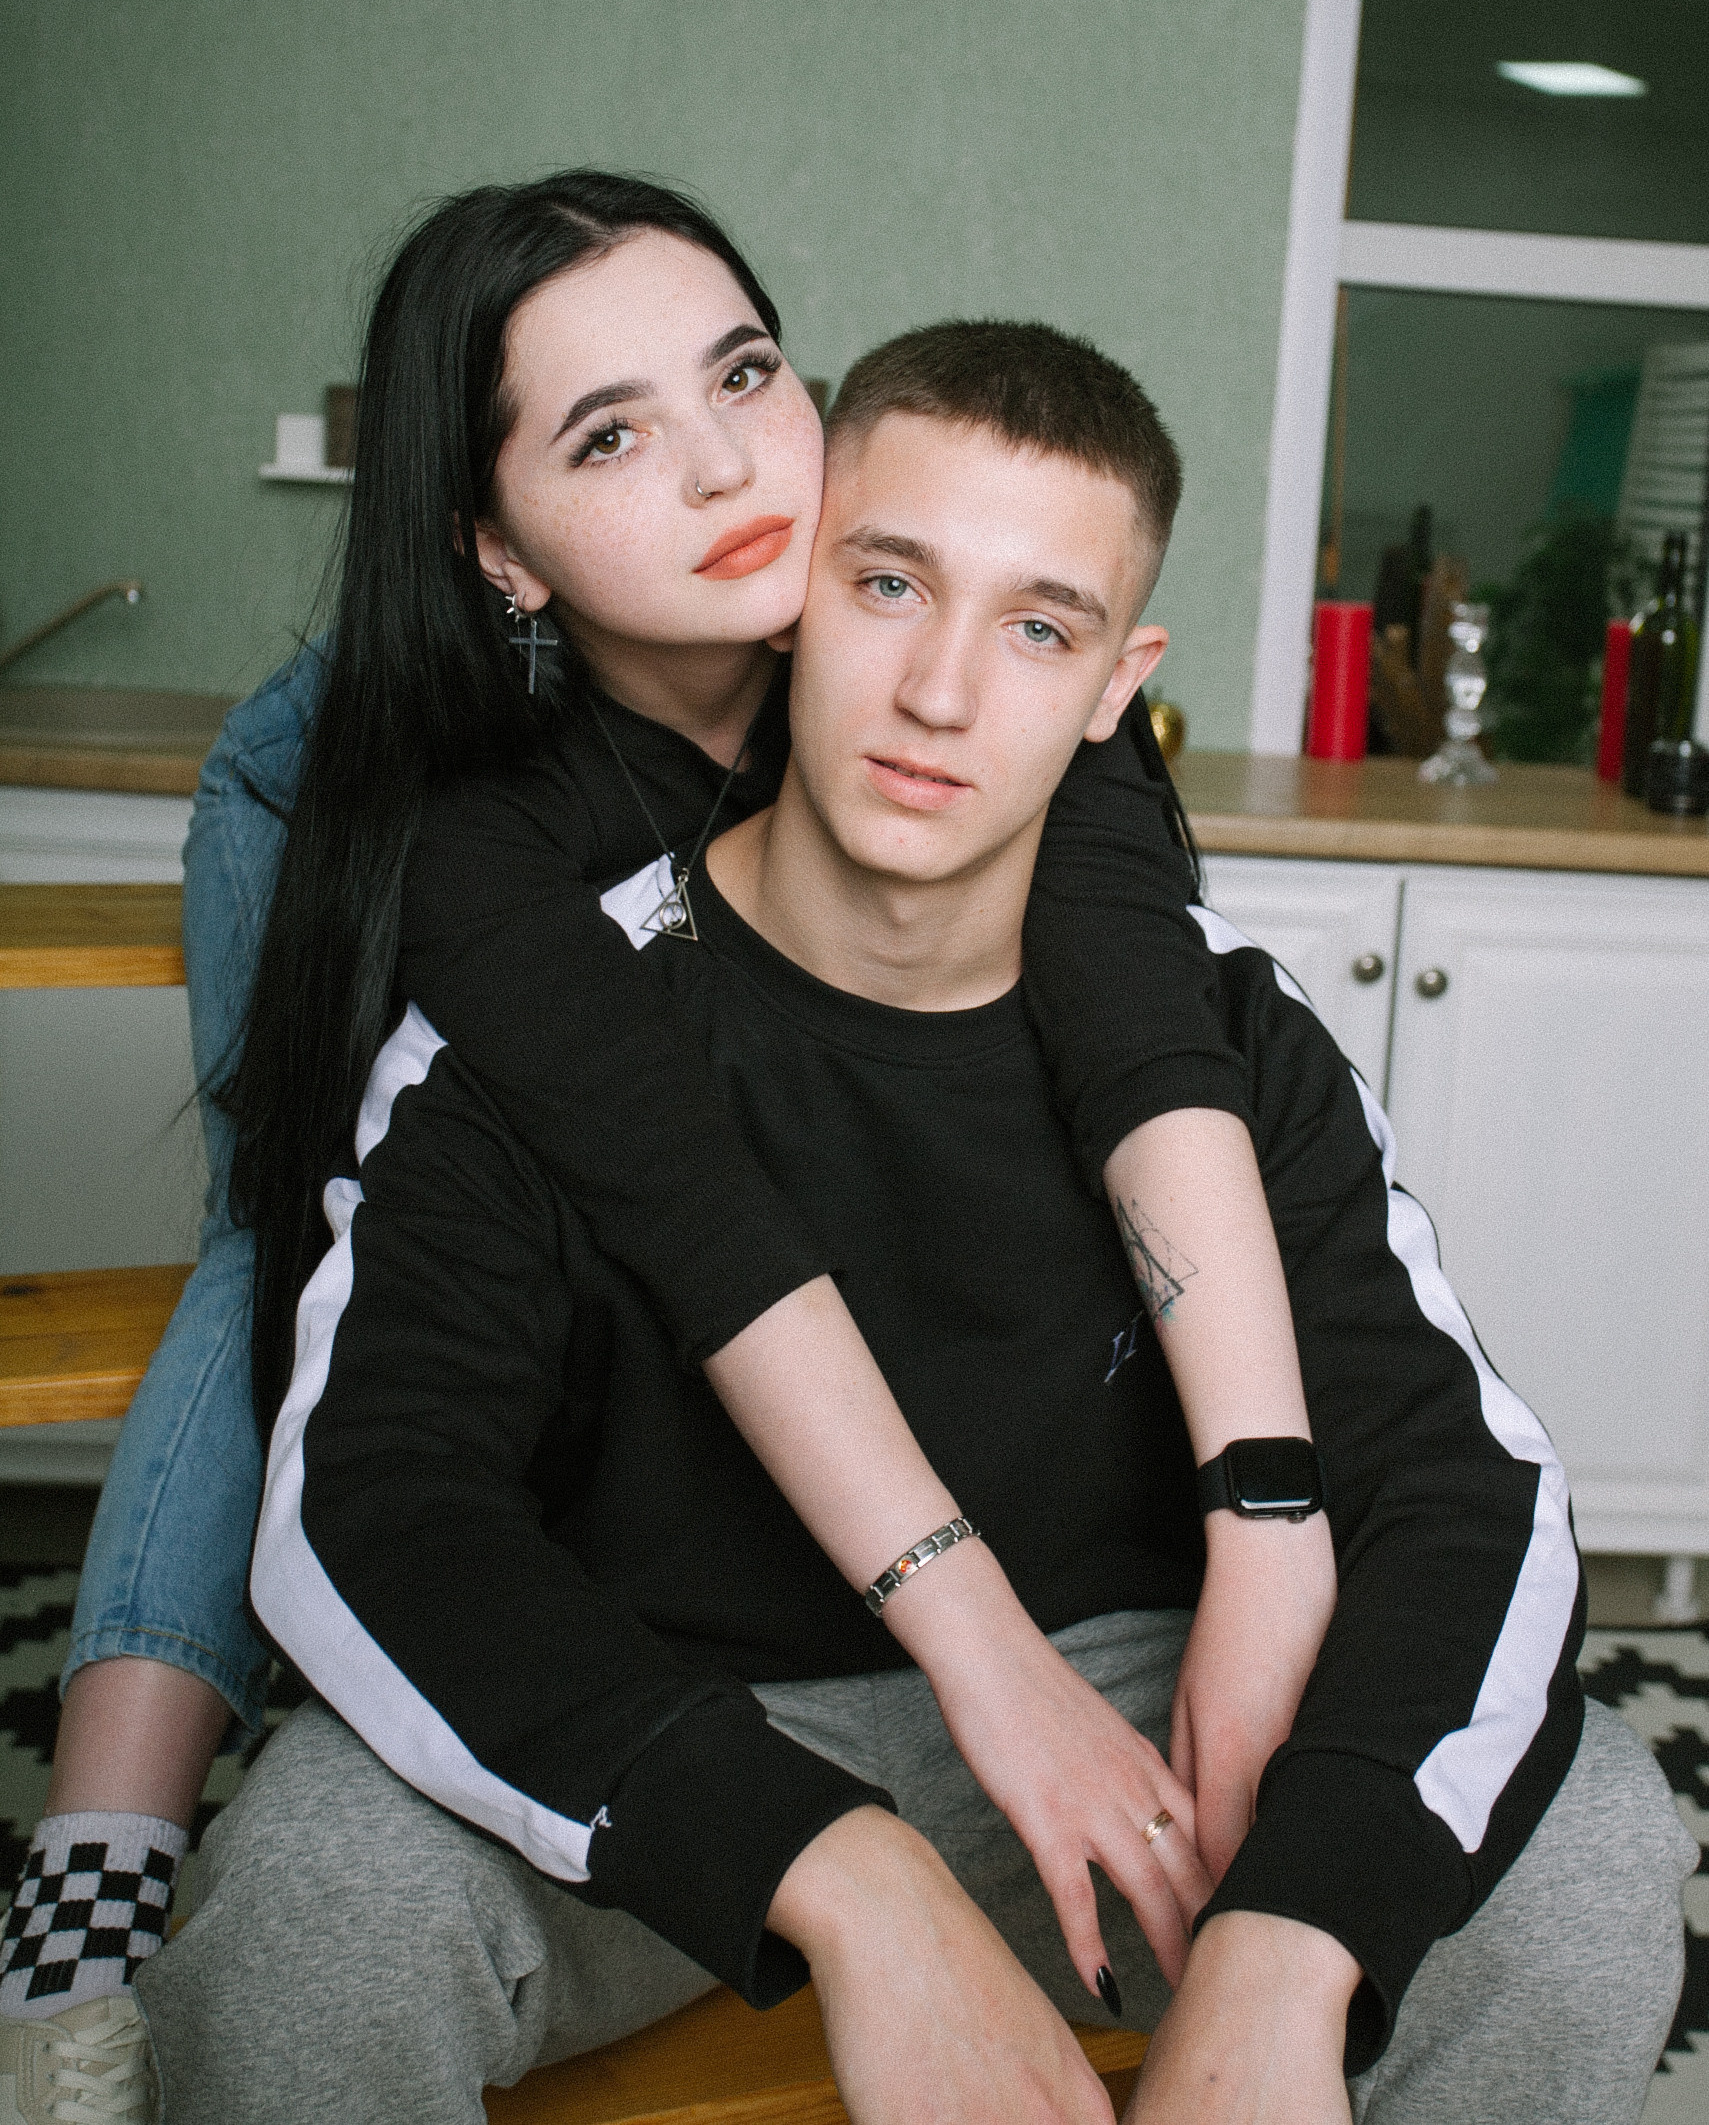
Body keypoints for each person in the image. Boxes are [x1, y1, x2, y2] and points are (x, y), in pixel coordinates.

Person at [137, 324, 1690, 2122]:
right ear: (788, 597)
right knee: (306, 1908)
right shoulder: (542, 1023)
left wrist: (1298, 1931)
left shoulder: (1221, 1033)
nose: (942, 693)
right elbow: (377, 1512)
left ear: (1115, 685)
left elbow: (1466, 1492)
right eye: (889, 585)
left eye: (1038, 627)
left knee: (1588, 1853)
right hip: (688, 1715)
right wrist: (828, 1861)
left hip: (1139, 1719)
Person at [0, 179, 1325, 2078]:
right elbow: (674, 1185)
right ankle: (91, 1885)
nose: (721, 468)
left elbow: (1142, 1036)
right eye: (609, 437)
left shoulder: (946, 650)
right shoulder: (457, 813)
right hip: (344, 767)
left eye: (745, 376)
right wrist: (977, 1650)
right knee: (276, 1244)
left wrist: (1263, 1519)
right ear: (502, 547)